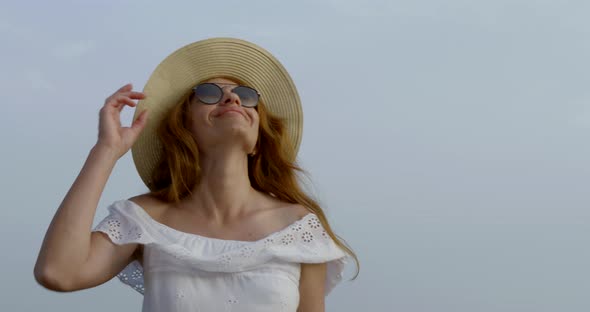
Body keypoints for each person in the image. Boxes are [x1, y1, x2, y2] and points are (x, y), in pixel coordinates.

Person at [34, 37, 359, 312]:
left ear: (258, 141)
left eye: (246, 96)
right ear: (184, 126)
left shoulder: (300, 226)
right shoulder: (144, 218)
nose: (231, 98)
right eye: (209, 92)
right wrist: (105, 151)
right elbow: (58, 272)